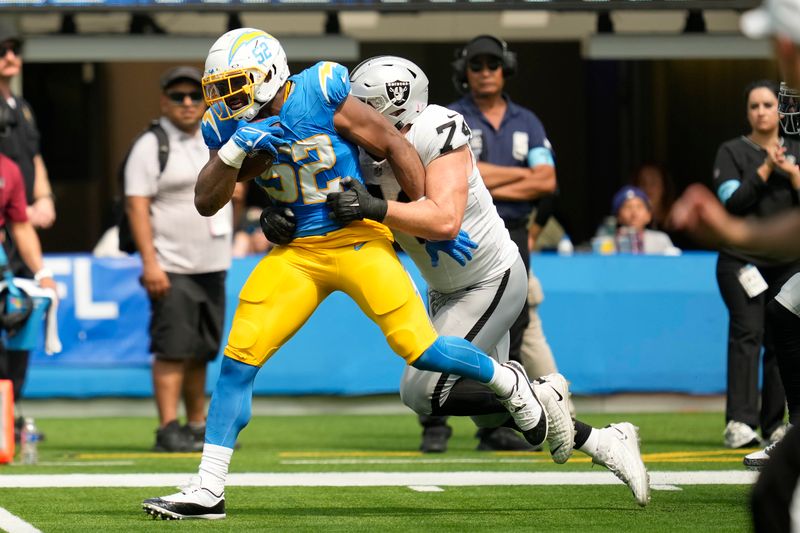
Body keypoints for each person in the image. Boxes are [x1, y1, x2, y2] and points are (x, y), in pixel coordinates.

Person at [142, 28, 566, 520]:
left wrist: (422, 212)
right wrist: (238, 157)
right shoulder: (225, 126)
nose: (224, 97)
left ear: (268, 74)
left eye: (235, 84)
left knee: (421, 349)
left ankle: (508, 381)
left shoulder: (320, 88)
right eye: (221, 86)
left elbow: (392, 143)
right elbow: (206, 201)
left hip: (357, 237)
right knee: (239, 359)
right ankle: (209, 487)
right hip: (298, 252)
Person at [318, 55, 648, 505]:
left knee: (420, 390)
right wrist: (283, 218)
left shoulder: (437, 130)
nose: (351, 116)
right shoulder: (358, 150)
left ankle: (533, 389)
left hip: (490, 279)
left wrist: (375, 208)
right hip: (445, 289)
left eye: (364, 105)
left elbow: (445, 220)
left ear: (395, 106)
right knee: (495, 420)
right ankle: (606, 441)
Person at [412, 35, 558, 454]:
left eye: (493, 64)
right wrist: (515, 177)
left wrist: (476, 172)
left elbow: (546, 181)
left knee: (513, 327)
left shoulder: (526, 120)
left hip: (510, 231)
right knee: (444, 325)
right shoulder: (450, 116)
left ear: (505, 67)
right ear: (464, 72)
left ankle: (494, 427)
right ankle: (434, 424)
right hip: (458, 230)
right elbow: (439, 182)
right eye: (476, 65)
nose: (486, 71)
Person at [124, 66, 231, 453]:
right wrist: (150, 263)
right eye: (177, 96)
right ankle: (168, 426)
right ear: (163, 102)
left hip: (213, 263)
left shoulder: (218, 138)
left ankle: (196, 423)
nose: (187, 103)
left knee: (201, 349)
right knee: (172, 348)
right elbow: (137, 206)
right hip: (172, 264)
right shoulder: (151, 144)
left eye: (194, 96)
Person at [712, 79, 800, 450]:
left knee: (783, 336)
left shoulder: (796, 149)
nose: (762, 112)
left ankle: (777, 423)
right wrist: (765, 169)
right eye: (755, 106)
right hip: (742, 262)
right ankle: (740, 422)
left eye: (768, 104)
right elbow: (732, 202)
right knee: (748, 333)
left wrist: (792, 173)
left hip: (787, 263)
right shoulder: (732, 151)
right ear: (747, 112)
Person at [0, 20, 56, 442]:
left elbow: (31, 158)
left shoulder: (21, 106)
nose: (10, 58)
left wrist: (44, 197)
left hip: (12, 224)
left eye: (14, 49)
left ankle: (9, 415)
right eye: (2, 50)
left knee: (18, 319)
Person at [609, 185, 679, 255]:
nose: (634, 214)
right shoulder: (607, 242)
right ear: (618, 216)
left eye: (639, 207)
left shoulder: (660, 240)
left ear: (648, 215)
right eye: (628, 207)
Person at [630, 162, 676, 232]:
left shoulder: (675, 223)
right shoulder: (629, 224)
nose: (647, 188)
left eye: (653, 182)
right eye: (642, 182)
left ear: (664, 187)